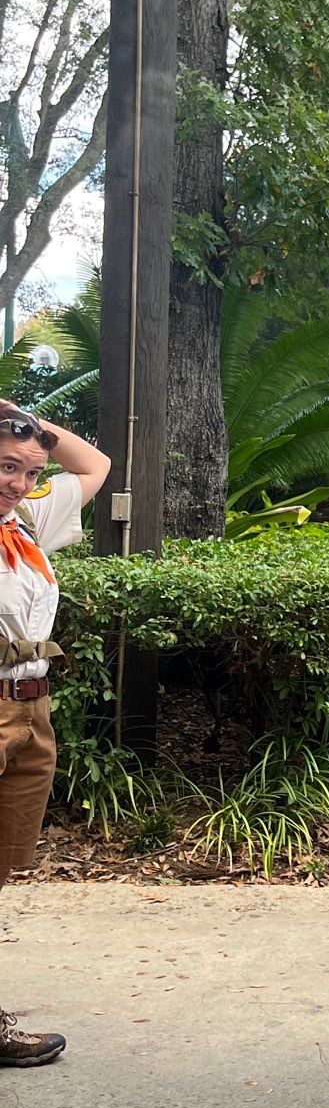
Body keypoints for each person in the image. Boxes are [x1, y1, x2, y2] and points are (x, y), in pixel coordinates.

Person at [0, 402, 110, 1068]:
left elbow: (95, 464)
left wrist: (28, 420)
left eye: (29, 471)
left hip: (31, 715)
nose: (16, 482)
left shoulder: (30, 523)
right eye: (6, 465)